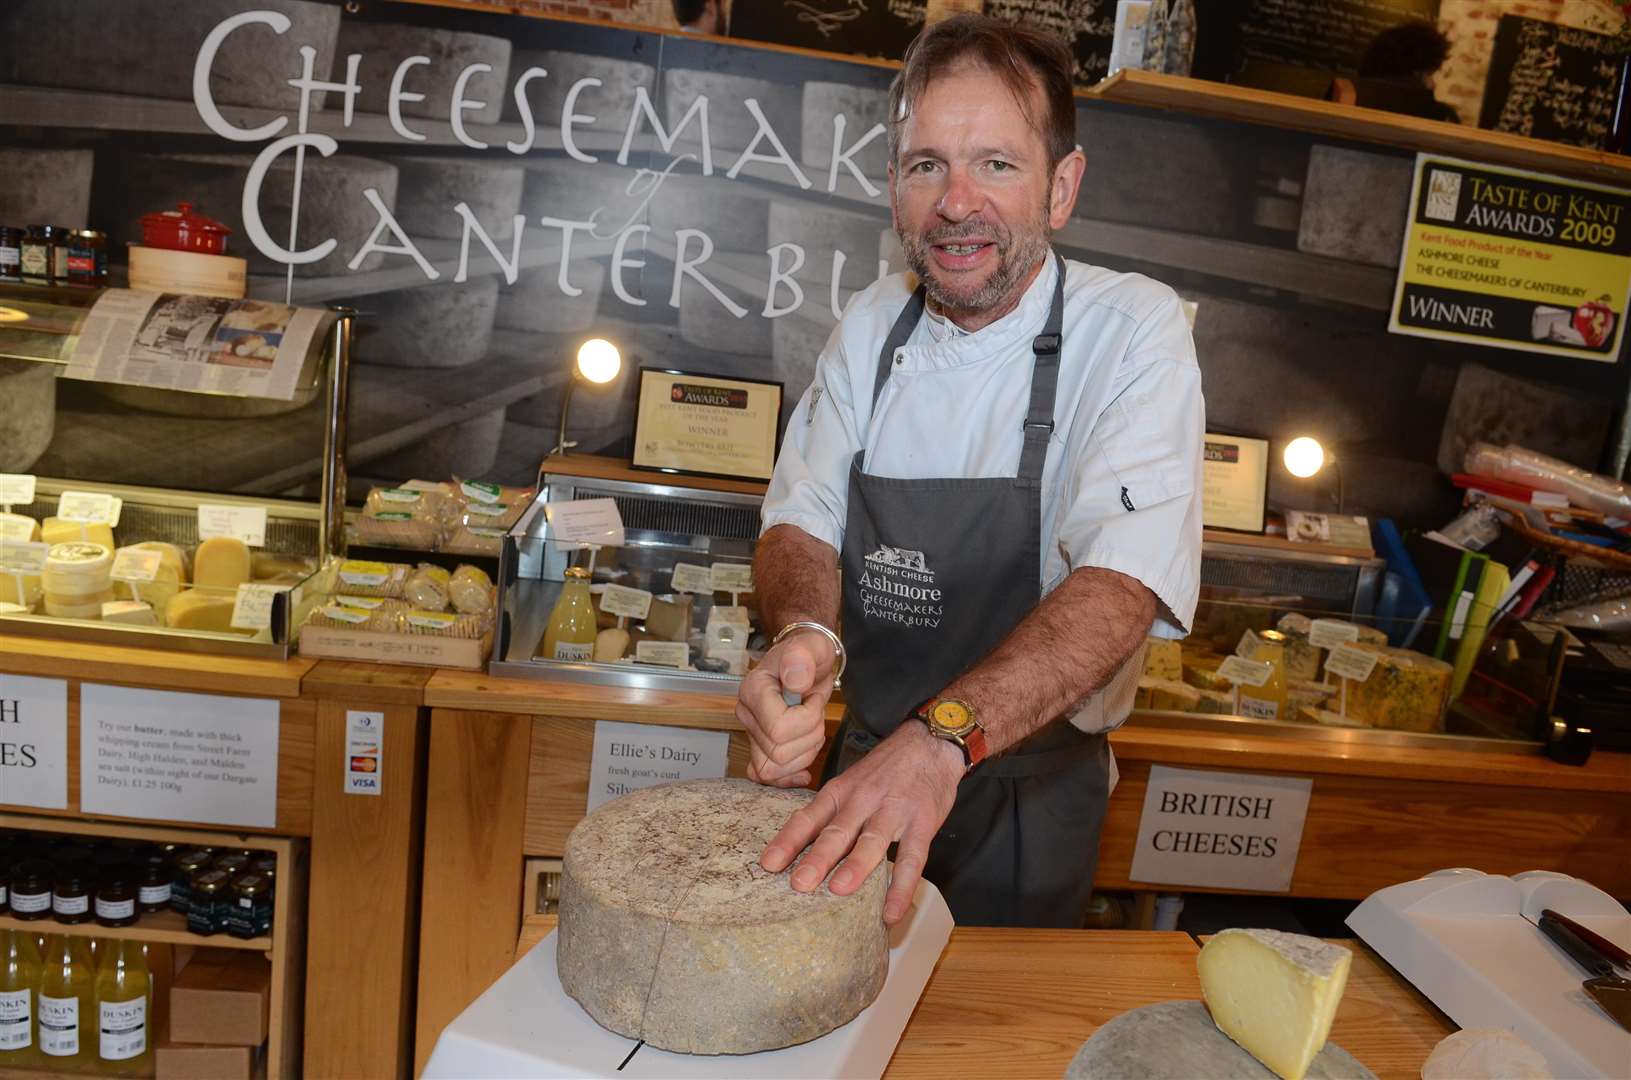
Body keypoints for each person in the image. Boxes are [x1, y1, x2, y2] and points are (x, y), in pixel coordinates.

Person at [736, 14, 1204, 929]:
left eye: (995, 164)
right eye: (925, 166)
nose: (955, 202)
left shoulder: (1133, 332)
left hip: (1024, 802)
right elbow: (801, 519)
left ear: (1059, 188)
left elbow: (1120, 584)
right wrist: (803, 639)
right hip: (863, 768)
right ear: (893, 189)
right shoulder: (872, 323)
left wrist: (940, 738)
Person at [1328, 21, 1460, 123]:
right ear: (1415, 72)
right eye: (1430, 75)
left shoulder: (1345, 92)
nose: (1433, 84)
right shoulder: (1441, 115)